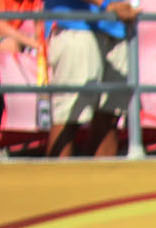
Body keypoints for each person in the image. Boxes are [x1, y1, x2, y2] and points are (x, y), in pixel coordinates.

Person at [44, 0, 134, 157]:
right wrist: (107, 4)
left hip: (120, 27)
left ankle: (101, 181)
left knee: (109, 118)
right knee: (68, 118)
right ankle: (57, 181)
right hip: (75, 27)